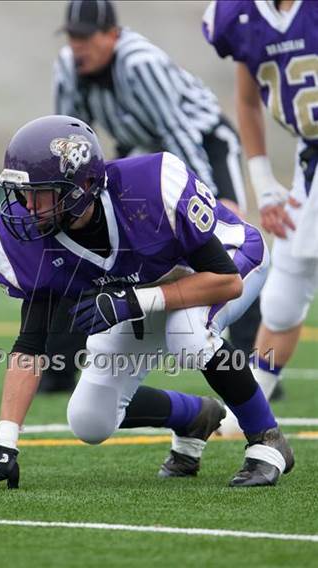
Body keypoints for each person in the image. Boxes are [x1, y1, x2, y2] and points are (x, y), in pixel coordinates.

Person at [0, 114, 294, 490]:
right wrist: (4, 444)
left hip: (226, 263)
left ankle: (267, 440)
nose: (27, 206)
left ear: (82, 186)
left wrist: (133, 301)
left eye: (40, 193)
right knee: (89, 420)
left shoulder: (149, 188)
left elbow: (226, 282)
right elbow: (29, 345)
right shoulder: (34, 236)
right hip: (144, 290)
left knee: (186, 335)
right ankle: (195, 416)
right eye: (22, 192)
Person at [45, 0, 261, 392]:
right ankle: (59, 368)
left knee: (225, 241)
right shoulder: (67, 66)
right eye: (73, 37)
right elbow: (67, 138)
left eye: (87, 37)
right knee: (88, 237)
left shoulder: (138, 63)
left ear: (112, 34)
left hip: (202, 141)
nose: (78, 46)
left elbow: (178, 131)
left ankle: (254, 358)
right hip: (140, 150)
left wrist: (208, 200)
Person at [203, 0, 318, 432]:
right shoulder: (242, 16)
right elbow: (248, 103)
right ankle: (246, 414)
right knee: (283, 297)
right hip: (311, 165)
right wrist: (265, 182)